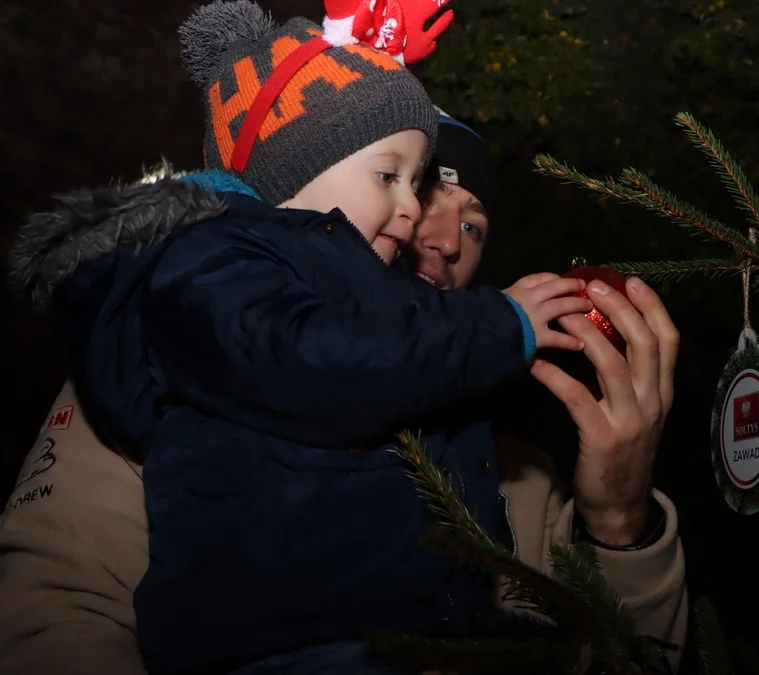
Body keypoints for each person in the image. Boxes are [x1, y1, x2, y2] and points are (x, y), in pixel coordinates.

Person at [0, 2, 688, 674]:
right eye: (394, 183)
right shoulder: (182, 361)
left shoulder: (511, 469)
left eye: (472, 224)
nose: (440, 237)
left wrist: (619, 519)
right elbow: (52, 616)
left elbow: (634, 656)